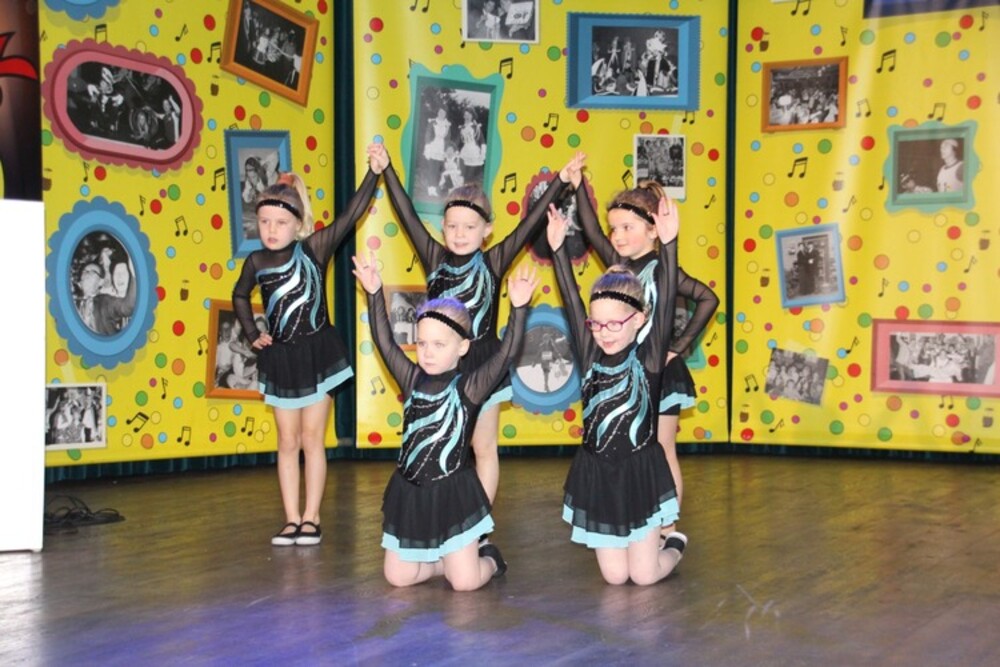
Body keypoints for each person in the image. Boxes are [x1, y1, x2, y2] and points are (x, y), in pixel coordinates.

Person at [372, 143, 581, 525]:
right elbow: (406, 215)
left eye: (469, 227)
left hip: (483, 363)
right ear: (442, 227)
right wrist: (386, 169)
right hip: (441, 369)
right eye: (452, 225)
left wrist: (561, 181)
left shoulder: (493, 261)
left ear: (487, 230)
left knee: (482, 447)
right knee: (445, 448)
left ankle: (477, 526)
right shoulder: (434, 258)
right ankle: (441, 520)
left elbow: (530, 223)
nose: (459, 234)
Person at [353, 252, 538, 590]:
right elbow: (384, 341)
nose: (427, 352)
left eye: (439, 344)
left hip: (453, 494)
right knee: (398, 577)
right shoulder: (411, 379)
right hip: (411, 491)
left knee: (465, 583)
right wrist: (374, 291)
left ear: (462, 347)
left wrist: (519, 308)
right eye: (422, 343)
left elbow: (506, 355)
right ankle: (444, 564)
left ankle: (489, 559)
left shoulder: (470, 387)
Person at [231, 152, 382, 546]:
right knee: (287, 441)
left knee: (312, 438)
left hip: (318, 355)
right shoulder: (257, 261)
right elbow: (240, 295)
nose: (271, 229)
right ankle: (291, 519)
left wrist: (373, 172)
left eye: (280, 222)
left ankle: (312, 517)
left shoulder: (314, 249)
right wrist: (252, 333)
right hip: (281, 357)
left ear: (298, 224)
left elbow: (350, 216)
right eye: (265, 221)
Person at [569, 152, 718, 543]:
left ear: (654, 229)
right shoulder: (618, 267)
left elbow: (708, 298)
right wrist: (578, 185)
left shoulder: (663, 269)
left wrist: (678, 347)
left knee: (661, 446)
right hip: (623, 374)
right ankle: (639, 522)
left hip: (657, 372)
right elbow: (589, 228)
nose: (617, 236)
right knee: (631, 447)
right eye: (614, 228)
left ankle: (668, 527)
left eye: (627, 227)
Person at [546, 191, 686, 586]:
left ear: (638, 321)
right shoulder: (591, 353)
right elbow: (571, 299)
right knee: (614, 577)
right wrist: (558, 251)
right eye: (597, 324)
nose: (604, 333)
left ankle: (674, 544)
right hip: (599, 476)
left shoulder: (649, 359)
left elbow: (667, 297)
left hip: (640, 474)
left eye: (614, 324)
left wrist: (670, 244)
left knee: (643, 577)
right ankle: (638, 548)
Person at [423, 108, 451, 196]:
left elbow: (448, 138)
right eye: (440, 112)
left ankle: (434, 189)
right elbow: (428, 134)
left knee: (437, 170)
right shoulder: (432, 122)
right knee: (431, 168)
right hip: (433, 146)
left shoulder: (447, 124)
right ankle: (430, 189)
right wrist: (427, 146)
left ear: (445, 114)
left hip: (441, 148)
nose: (441, 114)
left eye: (443, 112)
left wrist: (446, 150)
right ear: (438, 112)